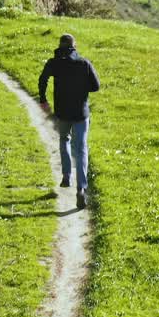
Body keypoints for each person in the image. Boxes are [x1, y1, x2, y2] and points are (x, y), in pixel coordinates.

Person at [38, 34, 101, 209]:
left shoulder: (53, 63)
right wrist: (81, 86)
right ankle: (81, 188)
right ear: (74, 46)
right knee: (81, 149)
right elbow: (96, 86)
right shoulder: (83, 63)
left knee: (64, 139)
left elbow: (42, 79)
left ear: (59, 45)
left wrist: (43, 99)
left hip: (62, 112)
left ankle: (66, 175)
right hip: (81, 113)